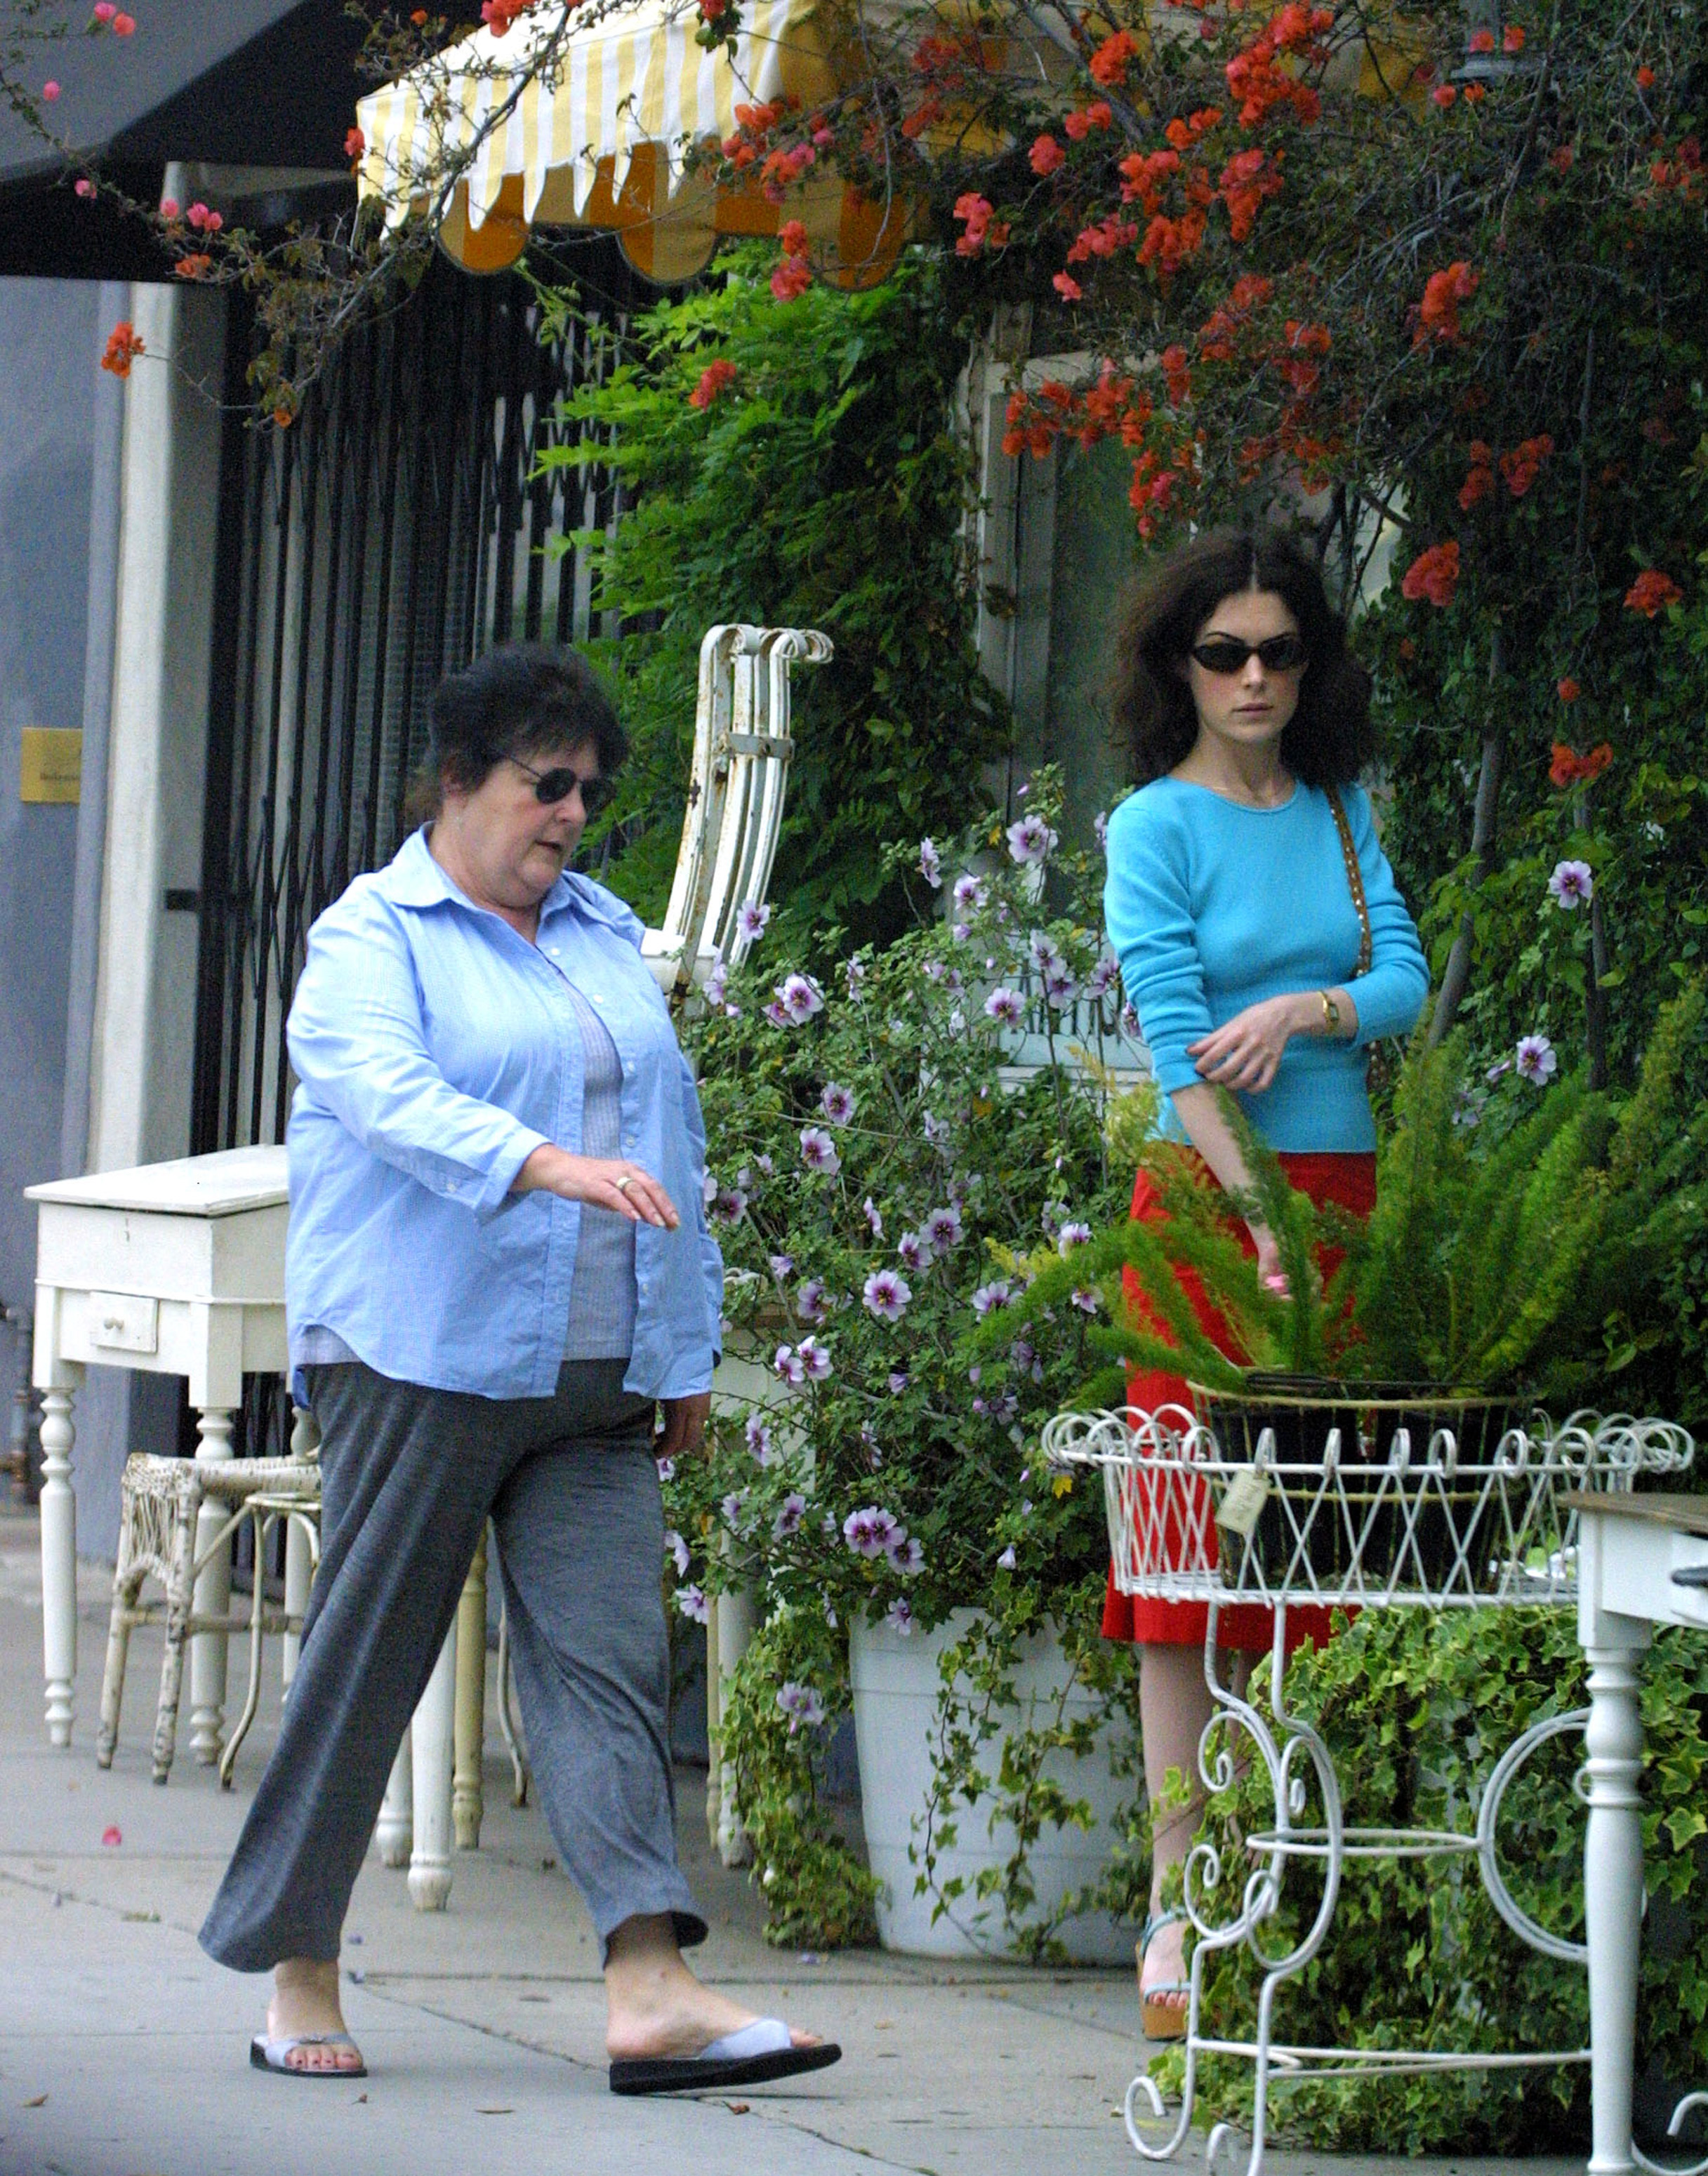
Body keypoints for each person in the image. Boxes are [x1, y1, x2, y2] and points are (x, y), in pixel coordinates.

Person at [199, 643, 840, 2097]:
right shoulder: (373, 937)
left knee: (606, 1667)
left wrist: (678, 1344)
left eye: (588, 792)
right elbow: (386, 1093)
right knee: (370, 1657)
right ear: (459, 783)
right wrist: (542, 1162)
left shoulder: (603, 931)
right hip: (423, 1353)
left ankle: (648, 1984)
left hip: (596, 1375)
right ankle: (296, 1962)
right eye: (542, 785)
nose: (566, 814)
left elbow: (665, 1149)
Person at [1099, 526, 1429, 2039]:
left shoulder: (1344, 808)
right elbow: (1173, 1042)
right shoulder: (1148, 827)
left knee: (1319, 1553)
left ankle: (1296, 1882)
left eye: (1277, 651)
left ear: (1309, 663)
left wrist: (1305, 1006)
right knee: (1180, 1569)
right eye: (1222, 651)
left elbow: (1407, 979)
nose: (1250, 677)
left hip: (1341, 1195)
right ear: (1180, 663)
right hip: (1204, 1211)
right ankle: (1179, 1911)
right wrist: (1258, 1222)